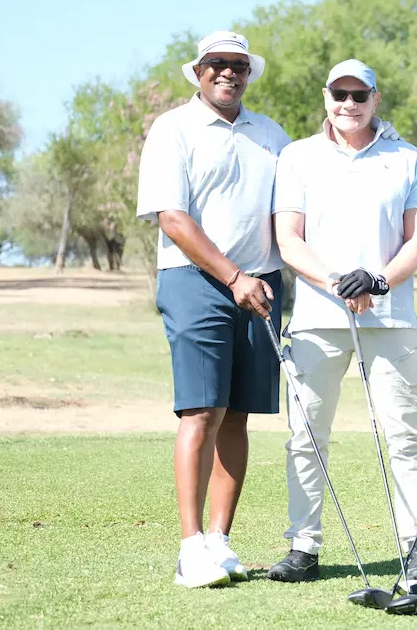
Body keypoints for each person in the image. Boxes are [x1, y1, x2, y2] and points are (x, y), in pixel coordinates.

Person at [268, 59, 417, 584]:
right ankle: (304, 547)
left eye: (358, 95)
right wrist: (340, 282)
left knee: (406, 436)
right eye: (339, 94)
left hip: (390, 318)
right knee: (306, 435)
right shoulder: (297, 157)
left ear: (375, 98)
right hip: (318, 318)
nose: (348, 104)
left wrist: (379, 281)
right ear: (325, 97)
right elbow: (289, 239)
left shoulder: (406, 158)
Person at [136, 31, 289, 588]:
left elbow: (291, 210)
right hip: (196, 280)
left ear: (249, 73)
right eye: (216, 64)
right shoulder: (172, 128)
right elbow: (171, 219)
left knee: (239, 413)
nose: (228, 72)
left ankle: (221, 542)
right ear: (198, 72)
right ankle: (189, 546)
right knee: (201, 411)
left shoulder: (270, 134)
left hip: (263, 284)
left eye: (238, 65)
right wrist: (233, 276)